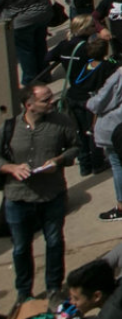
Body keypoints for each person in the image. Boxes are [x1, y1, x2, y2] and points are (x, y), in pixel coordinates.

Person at [2, 82, 78, 306]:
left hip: (51, 195)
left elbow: (75, 147)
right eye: (45, 100)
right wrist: (11, 168)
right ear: (29, 105)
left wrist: (59, 160)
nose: (52, 101)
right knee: (20, 247)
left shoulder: (62, 122)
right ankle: (23, 292)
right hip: (17, 197)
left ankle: (54, 288)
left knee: (54, 242)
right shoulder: (9, 128)